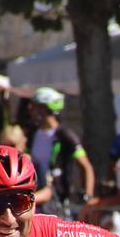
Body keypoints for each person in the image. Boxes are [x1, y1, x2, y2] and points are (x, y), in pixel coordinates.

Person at [28, 86, 95, 216]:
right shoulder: (33, 133)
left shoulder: (64, 135)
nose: (30, 111)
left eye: (34, 107)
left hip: (58, 200)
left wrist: (88, 198)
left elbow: (86, 166)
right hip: (38, 196)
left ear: (44, 108)